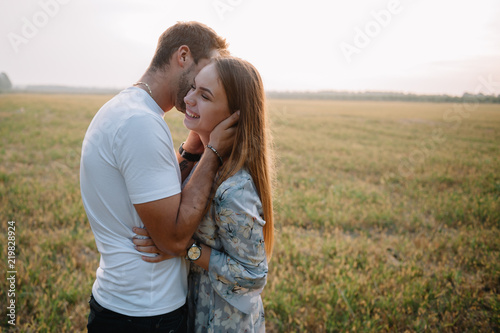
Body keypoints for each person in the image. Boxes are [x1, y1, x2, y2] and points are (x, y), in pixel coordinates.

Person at [80, 21, 239, 332]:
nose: (205, 84)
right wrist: (214, 152)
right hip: (145, 315)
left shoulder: (127, 110)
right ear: (183, 56)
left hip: (126, 306)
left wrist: (192, 150)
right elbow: (174, 238)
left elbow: (165, 199)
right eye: (205, 72)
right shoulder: (141, 124)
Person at [132, 56, 274, 332]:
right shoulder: (203, 166)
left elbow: (253, 275)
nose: (188, 98)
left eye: (204, 96)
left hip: (224, 322)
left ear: (234, 115)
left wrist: (184, 248)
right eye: (193, 87)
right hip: (195, 311)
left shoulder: (235, 189)